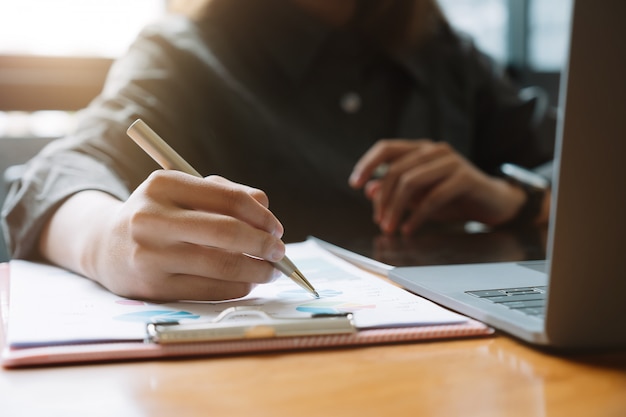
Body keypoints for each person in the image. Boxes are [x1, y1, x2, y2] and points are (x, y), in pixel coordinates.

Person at [1, 0, 553, 302]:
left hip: (460, 361)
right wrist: (107, 244)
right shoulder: (187, 54)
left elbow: (587, 160)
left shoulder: (445, 55)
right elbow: (57, 174)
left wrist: (517, 199)